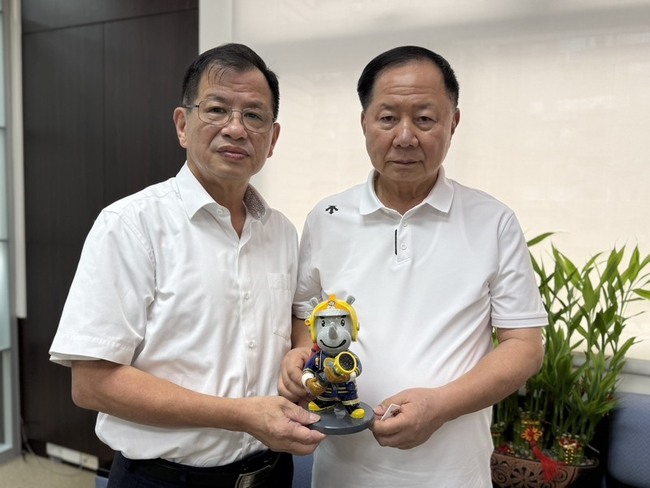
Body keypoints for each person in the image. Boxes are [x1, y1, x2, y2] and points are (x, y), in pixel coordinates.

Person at [49, 43, 325, 488]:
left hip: (272, 473)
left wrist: (300, 350)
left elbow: (295, 316)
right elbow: (92, 383)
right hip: (163, 479)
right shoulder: (131, 224)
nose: (235, 128)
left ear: (272, 140)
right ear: (182, 124)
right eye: (216, 109)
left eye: (254, 115)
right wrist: (240, 415)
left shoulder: (281, 231)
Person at [279, 45, 547, 487]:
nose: (405, 137)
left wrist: (439, 406)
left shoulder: (492, 221)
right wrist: (300, 356)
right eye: (387, 118)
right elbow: (305, 313)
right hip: (342, 473)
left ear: (453, 123)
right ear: (364, 122)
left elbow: (524, 346)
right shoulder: (326, 217)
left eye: (424, 119)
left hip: (453, 474)